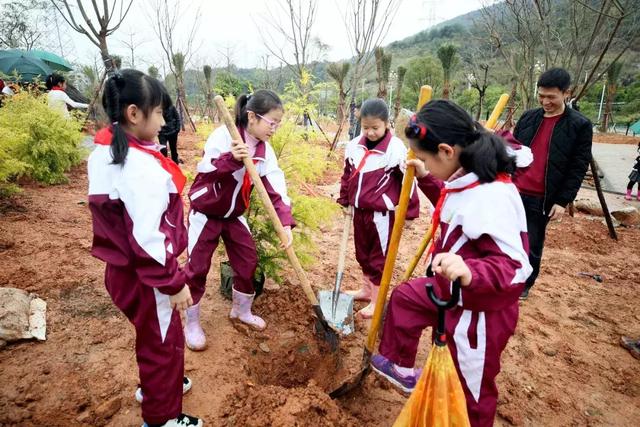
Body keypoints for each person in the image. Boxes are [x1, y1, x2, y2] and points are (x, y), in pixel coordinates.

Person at [370, 99, 532, 427]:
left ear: (446, 151)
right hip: (450, 290)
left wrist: (472, 271)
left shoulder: (492, 195)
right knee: (406, 299)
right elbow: (451, 199)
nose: (424, 162)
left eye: (426, 157)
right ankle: (401, 368)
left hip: (481, 312)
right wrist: (427, 177)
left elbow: (514, 268)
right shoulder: (467, 177)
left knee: (467, 390)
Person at [87, 69, 202, 427]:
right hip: (147, 277)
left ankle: (158, 386)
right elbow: (149, 239)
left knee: (155, 336)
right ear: (134, 114)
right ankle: (162, 416)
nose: (165, 121)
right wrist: (173, 281)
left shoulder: (104, 153)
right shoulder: (140, 168)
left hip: (122, 272)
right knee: (162, 343)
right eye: (160, 113)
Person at [184, 89, 294, 350]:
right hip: (207, 212)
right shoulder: (224, 136)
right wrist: (231, 159)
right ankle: (191, 322)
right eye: (272, 122)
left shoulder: (264, 150)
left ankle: (241, 311)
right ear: (252, 117)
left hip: (234, 215)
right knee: (196, 267)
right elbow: (206, 169)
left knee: (247, 260)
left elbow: (275, 186)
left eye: (278, 124)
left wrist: (285, 223)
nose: (275, 129)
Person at [513, 67, 593, 300]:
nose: (545, 101)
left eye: (551, 97)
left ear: (566, 93)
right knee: (505, 235)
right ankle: (504, 277)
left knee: (533, 243)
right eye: (541, 95)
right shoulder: (529, 117)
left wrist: (562, 200)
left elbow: (578, 166)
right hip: (514, 190)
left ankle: (525, 284)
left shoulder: (579, 125)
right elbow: (513, 150)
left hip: (543, 196)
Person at [337, 98, 419, 318]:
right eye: (366, 128)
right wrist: (345, 199)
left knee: (378, 258)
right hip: (359, 212)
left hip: (381, 215)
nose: (371, 132)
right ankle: (366, 290)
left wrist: (410, 212)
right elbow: (347, 175)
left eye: (375, 128)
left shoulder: (395, 149)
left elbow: (408, 182)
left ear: (387, 124)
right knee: (362, 254)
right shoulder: (354, 146)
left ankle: (377, 300)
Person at [159, 94, 182, 164]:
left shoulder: (172, 107)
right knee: (163, 149)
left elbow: (177, 118)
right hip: (162, 133)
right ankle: (165, 163)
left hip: (172, 132)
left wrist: (177, 129)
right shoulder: (158, 109)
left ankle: (175, 162)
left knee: (173, 149)